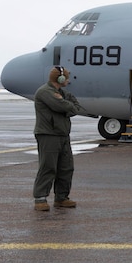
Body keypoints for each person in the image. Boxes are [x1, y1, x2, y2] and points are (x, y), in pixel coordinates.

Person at [33, 66, 87, 211]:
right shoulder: (45, 92)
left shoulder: (62, 93)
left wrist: (66, 106)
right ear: (60, 79)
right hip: (48, 135)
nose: (68, 81)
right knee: (48, 167)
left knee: (66, 167)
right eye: (66, 78)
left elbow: (76, 107)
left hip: (63, 134)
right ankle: (40, 199)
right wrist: (66, 106)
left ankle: (61, 198)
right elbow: (61, 106)